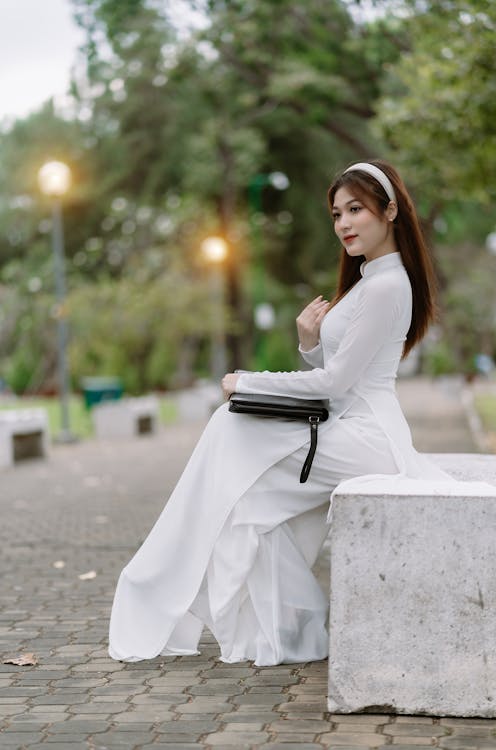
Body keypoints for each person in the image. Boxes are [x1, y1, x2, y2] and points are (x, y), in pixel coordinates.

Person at [108, 160, 449, 666]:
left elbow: (336, 385)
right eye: (337, 214)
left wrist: (245, 381)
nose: (345, 224)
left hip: (368, 438)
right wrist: (309, 344)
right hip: (348, 426)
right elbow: (338, 377)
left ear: (391, 210)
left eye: (356, 210)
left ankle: (173, 575)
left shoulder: (386, 286)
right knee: (244, 500)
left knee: (232, 435)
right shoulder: (369, 281)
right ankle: (281, 629)